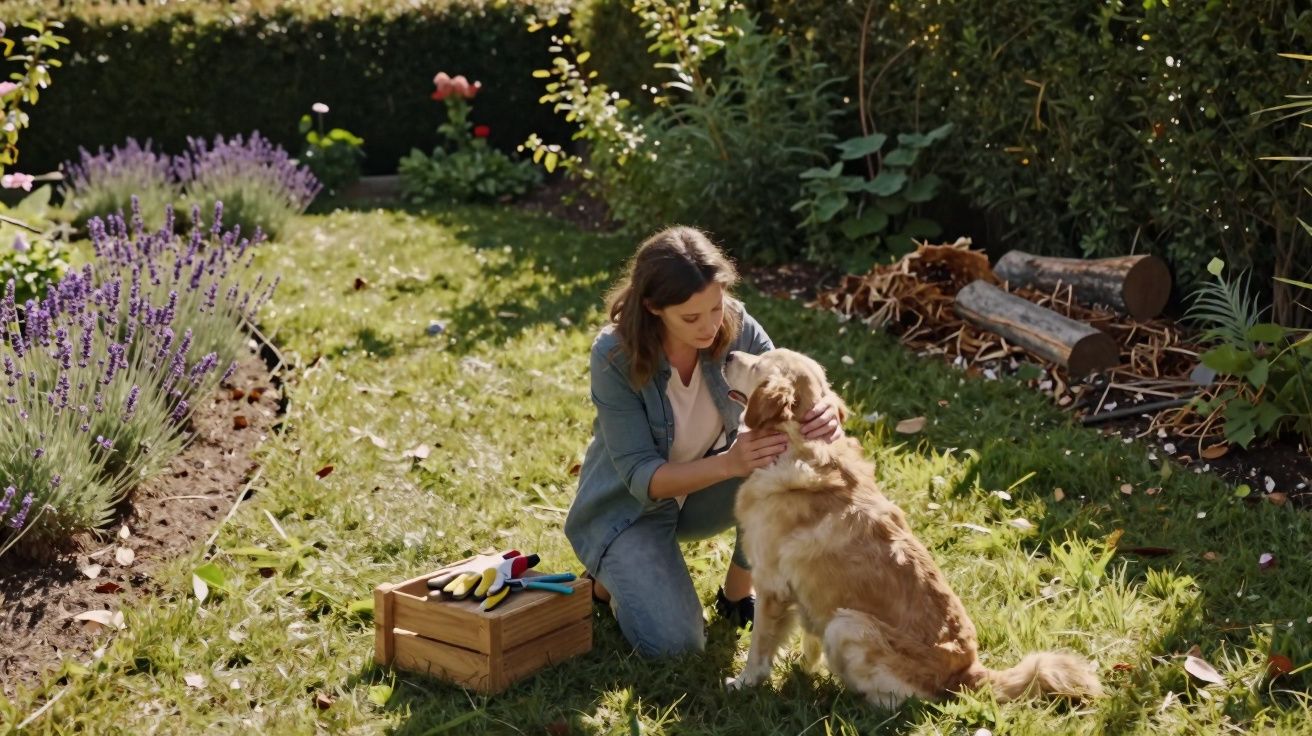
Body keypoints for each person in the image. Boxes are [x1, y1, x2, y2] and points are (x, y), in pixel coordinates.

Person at [564, 225, 845, 658]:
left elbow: (786, 380)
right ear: (653, 307)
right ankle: (607, 579)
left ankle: (736, 594)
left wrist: (826, 409)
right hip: (631, 508)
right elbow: (641, 476)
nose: (711, 327)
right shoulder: (613, 355)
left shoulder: (734, 321)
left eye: (715, 308)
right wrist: (730, 465)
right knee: (677, 646)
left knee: (782, 462)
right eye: (691, 318)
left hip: (702, 495)